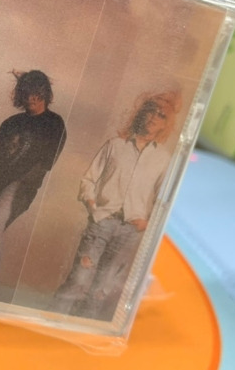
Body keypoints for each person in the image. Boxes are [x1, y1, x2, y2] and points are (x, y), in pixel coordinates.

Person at [51, 91, 181, 320]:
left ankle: (80, 334)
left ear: (165, 125)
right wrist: (92, 205)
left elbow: (164, 198)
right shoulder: (115, 145)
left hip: (130, 232)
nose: (154, 118)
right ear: (142, 113)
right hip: (102, 222)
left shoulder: (163, 159)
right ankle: (51, 324)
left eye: (161, 116)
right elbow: (89, 179)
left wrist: (148, 222)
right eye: (151, 111)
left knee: (101, 289)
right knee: (79, 280)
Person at [0, 70, 66, 298]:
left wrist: (21, 187)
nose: (30, 98)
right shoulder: (11, 123)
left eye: (36, 93)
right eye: (26, 93)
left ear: (45, 94)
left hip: (20, 185)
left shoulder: (54, 123)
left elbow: (46, 163)